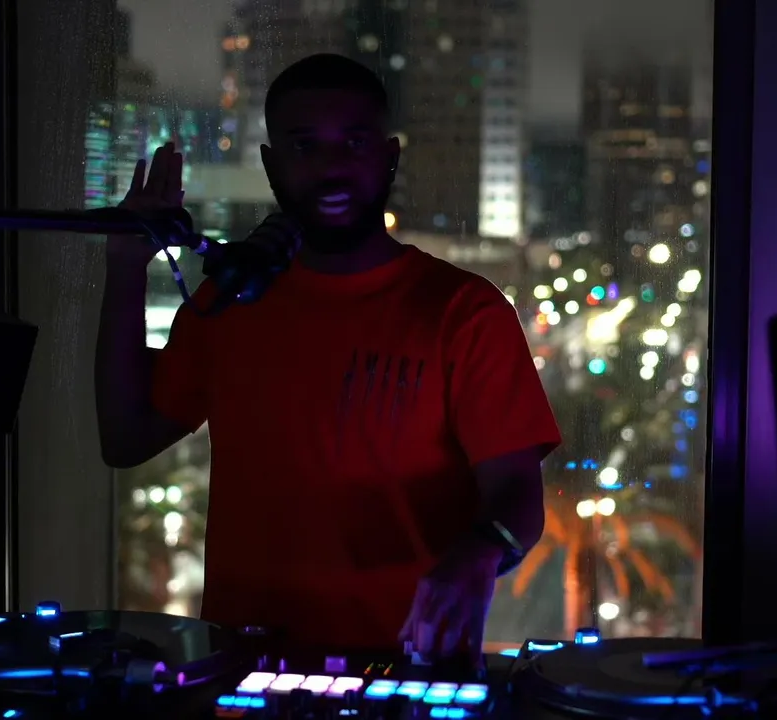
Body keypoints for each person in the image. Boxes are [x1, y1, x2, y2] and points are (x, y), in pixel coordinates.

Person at [95, 53, 561, 655]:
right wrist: (126, 266)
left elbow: (517, 494)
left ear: (389, 157)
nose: (330, 168)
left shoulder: (464, 312)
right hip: (243, 661)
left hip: (407, 666)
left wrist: (480, 553)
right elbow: (126, 438)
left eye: (354, 143)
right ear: (271, 165)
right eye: (304, 146)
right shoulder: (230, 302)